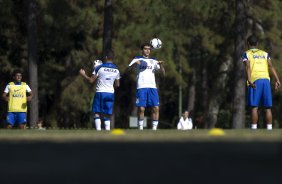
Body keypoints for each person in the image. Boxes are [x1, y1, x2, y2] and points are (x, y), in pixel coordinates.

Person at [242, 35, 281, 130]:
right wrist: (277, 79)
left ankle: (254, 129)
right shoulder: (265, 53)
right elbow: (271, 66)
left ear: (248, 43)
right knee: (268, 107)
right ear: (257, 44)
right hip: (266, 81)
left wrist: (249, 79)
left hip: (255, 80)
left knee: (254, 107)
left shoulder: (246, 54)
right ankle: (269, 128)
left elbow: (247, 66)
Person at [79, 50, 120, 131]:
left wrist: (84, 75)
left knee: (97, 112)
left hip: (100, 92)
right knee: (107, 113)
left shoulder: (99, 67)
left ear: (105, 57)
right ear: (113, 58)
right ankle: (107, 130)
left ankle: (98, 130)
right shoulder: (116, 70)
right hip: (110, 93)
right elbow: (118, 84)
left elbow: (91, 80)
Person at [128, 43, 165, 130]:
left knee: (155, 108)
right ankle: (140, 128)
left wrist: (161, 65)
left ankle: (154, 129)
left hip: (152, 87)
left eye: (149, 49)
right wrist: (134, 64)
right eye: (145, 49)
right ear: (142, 50)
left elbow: (163, 73)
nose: (147, 50)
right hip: (141, 86)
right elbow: (128, 69)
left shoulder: (154, 60)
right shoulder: (137, 58)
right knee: (141, 108)